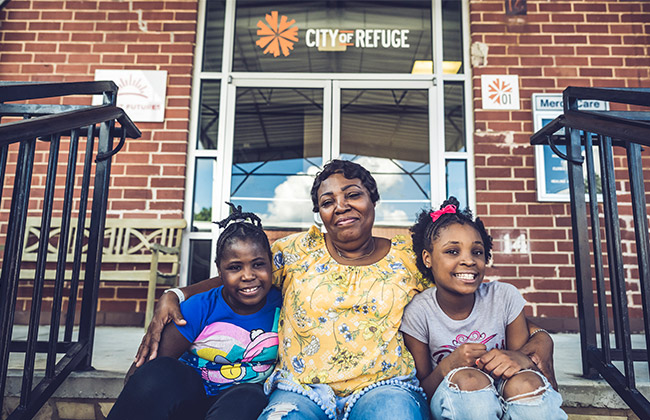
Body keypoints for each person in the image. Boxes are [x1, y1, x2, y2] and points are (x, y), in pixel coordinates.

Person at [135, 160, 558, 420]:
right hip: (300, 389)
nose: (340, 206)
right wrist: (176, 294)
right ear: (319, 213)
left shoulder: (410, 260)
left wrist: (537, 338)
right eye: (326, 201)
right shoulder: (298, 250)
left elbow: (474, 296)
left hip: (387, 387)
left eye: (352, 194)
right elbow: (234, 273)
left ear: (373, 200)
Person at [107, 204, 282, 420]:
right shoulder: (200, 306)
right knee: (160, 371)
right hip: (189, 401)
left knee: (249, 397)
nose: (248, 275)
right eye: (235, 267)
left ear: (271, 264)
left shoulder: (283, 301)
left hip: (238, 404)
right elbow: (144, 372)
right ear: (219, 270)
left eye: (257, 264)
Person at [401, 197, 566, 419]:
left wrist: (521, 358)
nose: (468, 260)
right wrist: (449, 365)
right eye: (452, 251)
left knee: (526, 382)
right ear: (428, 258)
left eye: (476, 252)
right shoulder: (419, 312)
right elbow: (421, 392)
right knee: (470, 380)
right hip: (457, 400)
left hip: (507, 395)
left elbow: (522, 370)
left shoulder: (504, 297)